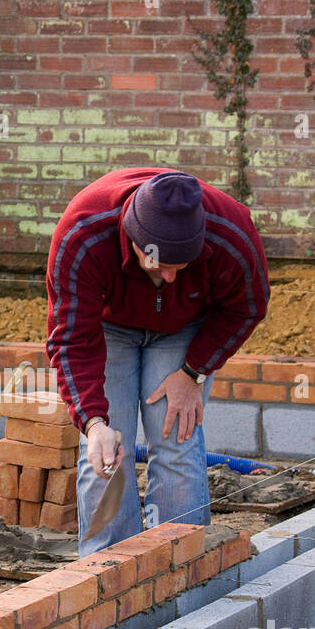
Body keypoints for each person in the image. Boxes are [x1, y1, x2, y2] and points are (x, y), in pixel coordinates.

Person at [45, 167, 270, 555]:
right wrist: (93, 421)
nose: (168, 277)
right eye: (158, 265)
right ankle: (106, 574)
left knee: (176, 438)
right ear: (133, 236)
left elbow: (246, 309)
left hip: (184, 328)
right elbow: (71, 339)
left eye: (179, 267)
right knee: (107, 449)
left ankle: (181, 565)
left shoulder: (231, 232)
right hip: (109, 327)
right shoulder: (83, 233)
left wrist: (193, 372)